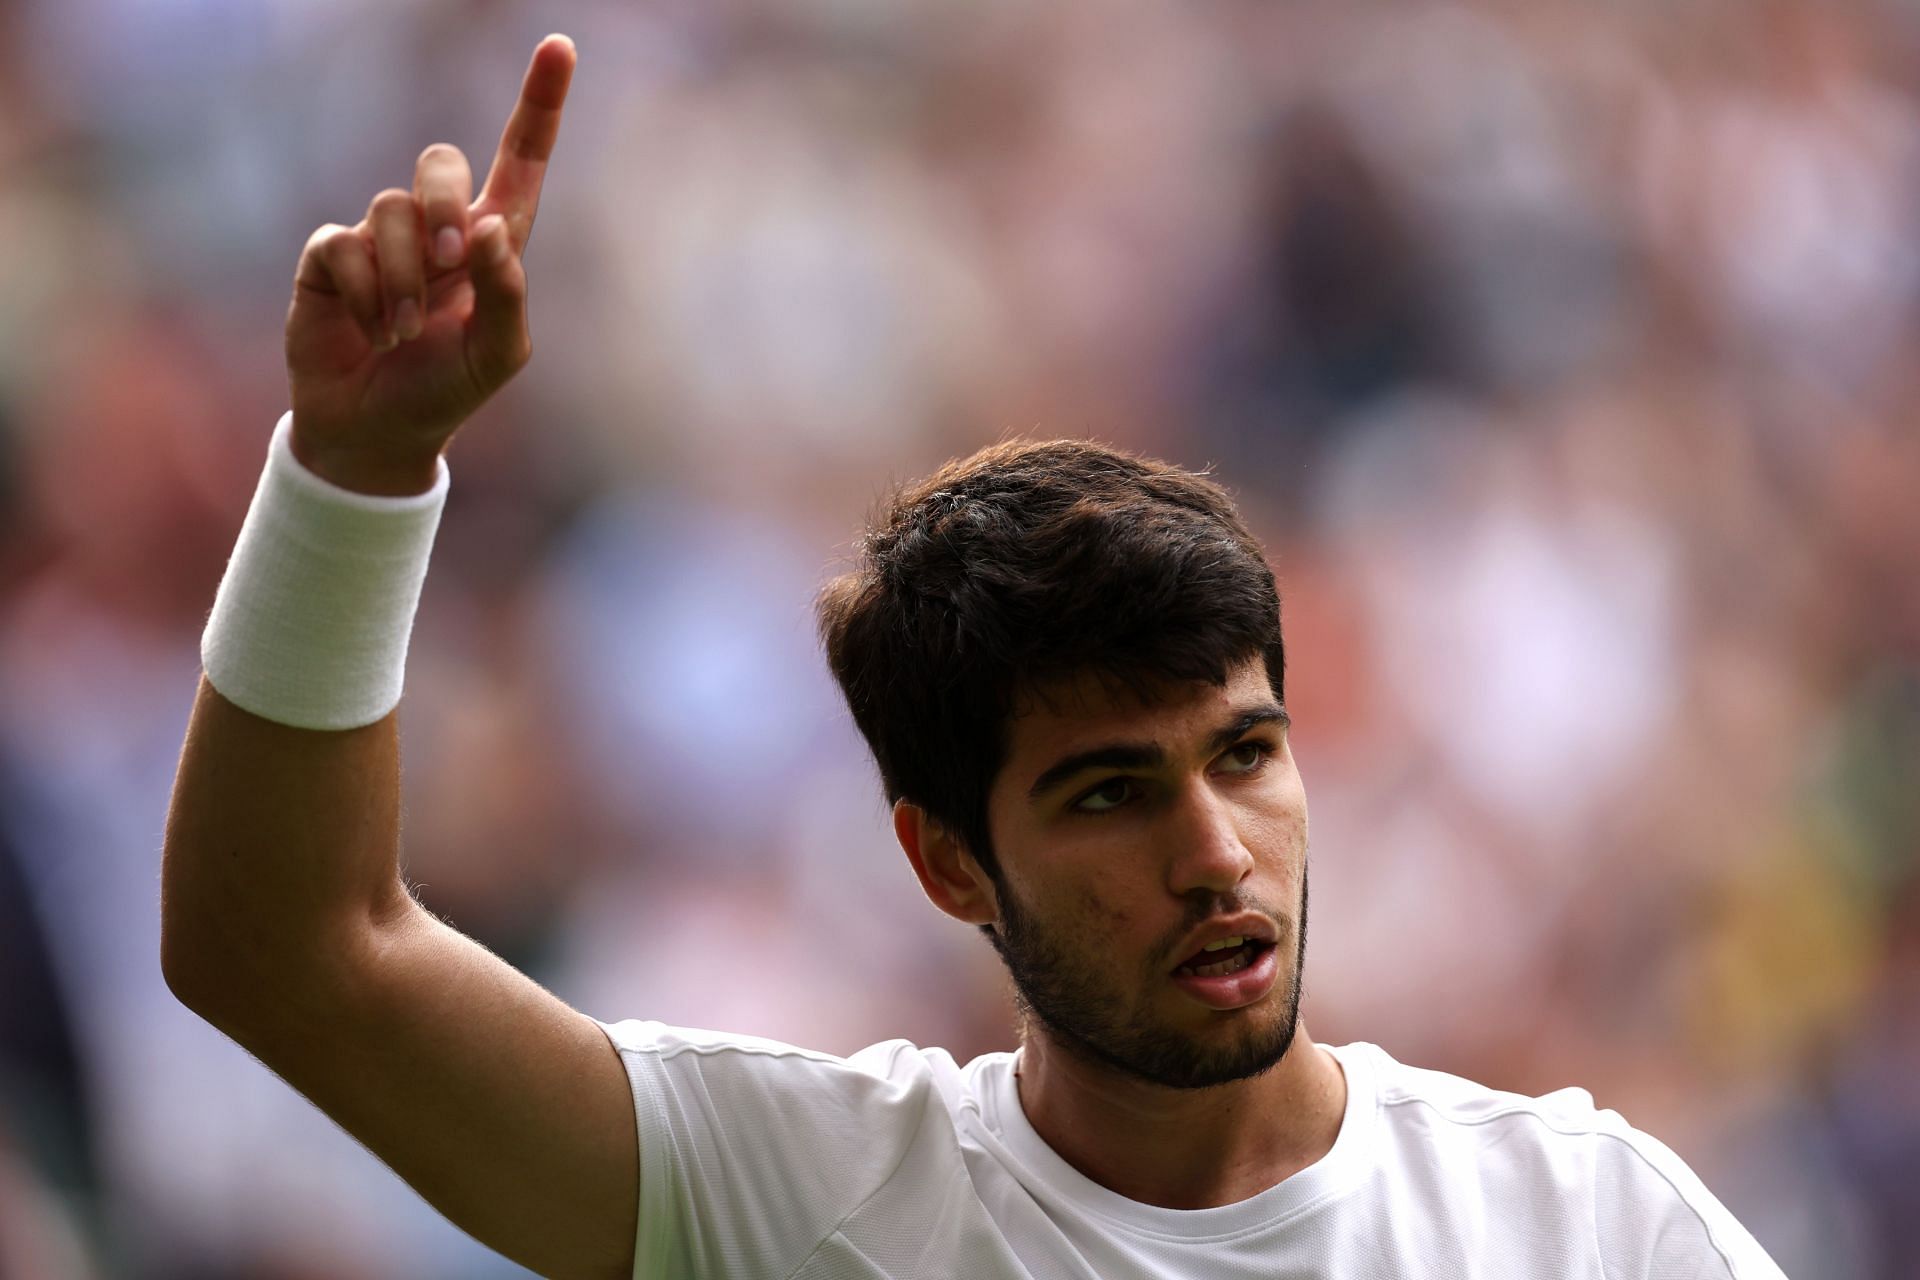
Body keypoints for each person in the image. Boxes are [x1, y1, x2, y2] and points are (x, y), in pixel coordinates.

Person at [162, 34, 1789, 1280]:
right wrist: (355, 473)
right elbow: (287, 950)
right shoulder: (801, 1198)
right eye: (1105, 794)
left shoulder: (1584, 1221)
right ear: (946, 863)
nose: (1215, 852)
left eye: (1246, 751)